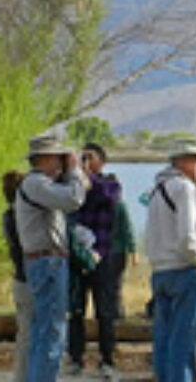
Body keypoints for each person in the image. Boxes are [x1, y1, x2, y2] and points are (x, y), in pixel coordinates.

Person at [15, 134, 88, 382]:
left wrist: (71, 174)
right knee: (52, 333)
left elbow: (76, 193)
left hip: (44, 262)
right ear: (45, 158)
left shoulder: (39, 186)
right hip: (48, 262)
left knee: (43, 332)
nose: (61, 162)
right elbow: (74, 198)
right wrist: (75, 171)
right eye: (58, 157)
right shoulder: (36, 184)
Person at [146, 136, 196, 382]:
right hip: (185, 269)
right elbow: (188, 235)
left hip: (161, 270)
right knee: (185, 344)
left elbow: (151, 233)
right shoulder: (184, 188)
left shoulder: (156, 189)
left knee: (163, 341)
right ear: (183, 162)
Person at [66, 142, 122, 379]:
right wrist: (76, 176)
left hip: (102, 257)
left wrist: (89, 177)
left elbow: (109, 198)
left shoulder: (110, 183)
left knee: (105, 312)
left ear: (101, 162)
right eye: (83, 157)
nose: (85, 162)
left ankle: (107, 359)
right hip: (77, 257)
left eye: (90, 158)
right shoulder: (73, 185)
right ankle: (75, 358)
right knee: (75, 310)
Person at [1, 170, 29, 382]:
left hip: (20, 280)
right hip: (28, 280)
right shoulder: (20, 219)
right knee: (29, 336)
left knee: (24, 335)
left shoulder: (7, 216)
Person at [108, 189, 137, 319]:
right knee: (116, 285)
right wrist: (132, 251)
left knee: (107, 287)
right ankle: (117, 314)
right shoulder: (120, 205)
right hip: (118, 252)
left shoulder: (100, 205)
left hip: (105, 252)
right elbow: (127, 230)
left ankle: (110, 314)